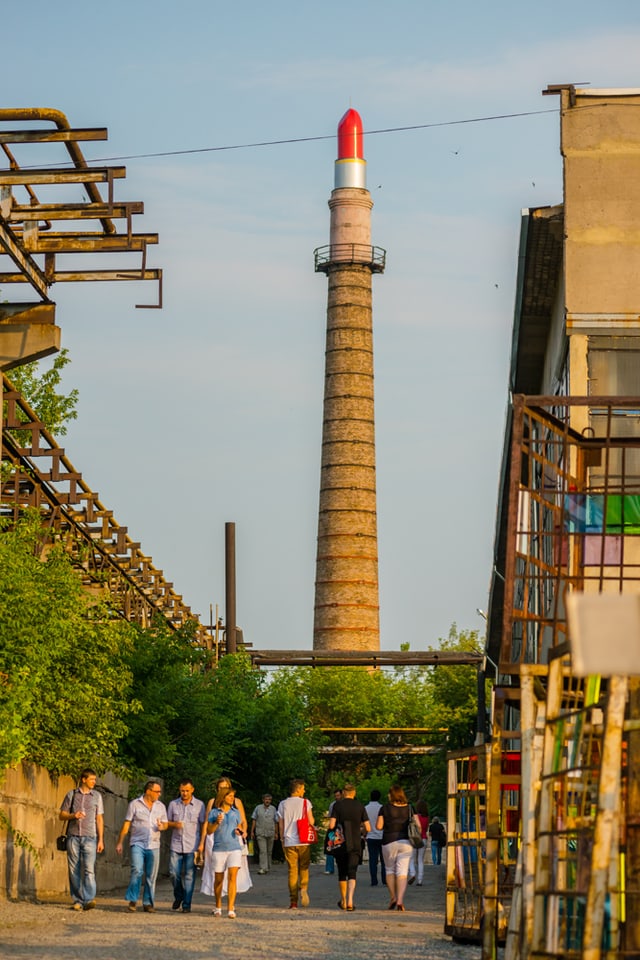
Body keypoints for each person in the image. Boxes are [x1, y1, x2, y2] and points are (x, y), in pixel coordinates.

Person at [115, 779, 169, 913]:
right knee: (137, 870)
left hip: (154, 844)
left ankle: (148, 903)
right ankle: (133, 899)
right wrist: (120, 842)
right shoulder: (135, 804)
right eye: (157, 791)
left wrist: (162, 826)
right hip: (137, 843)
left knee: (151, 875)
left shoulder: (161, 806)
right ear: (148, 791)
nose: (159, 794)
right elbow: (127, 823)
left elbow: (166, 824)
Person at [200, 776, 251, 906]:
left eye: (226, 787)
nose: (224, 790)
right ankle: (218, 902)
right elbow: (207, 823)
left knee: (233, 872)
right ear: (217, 789)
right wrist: (202, 843)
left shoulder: (236, 802)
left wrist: (243, 832)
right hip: (215, 839)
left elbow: (243, 820)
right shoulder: (212, 803)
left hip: (233, 838)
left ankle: (230, 903)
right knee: (216, 872)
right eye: (221, 788)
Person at [59, 768, 104, 911]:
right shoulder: (71, 794)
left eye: (95, 780)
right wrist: (73, 815)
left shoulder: (97, 796)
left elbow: (99, 819)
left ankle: (89, 899)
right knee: (74, 870)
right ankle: (78, 900)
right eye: (91, 779)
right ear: (83, 779)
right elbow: (62, 815)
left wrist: (101, 839)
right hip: (73, 836)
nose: (94, 782)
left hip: (90, 836)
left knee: (89, 869)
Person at [166, 778, 206, 913]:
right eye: (182, 790)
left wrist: (202, 844)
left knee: (189, 875)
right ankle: (179, 895)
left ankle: (187, 904)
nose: (184, 793)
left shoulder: (200, 805)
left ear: (192, 790)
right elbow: (167, 823)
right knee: (173, 873)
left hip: (192, 844)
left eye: (187, 791)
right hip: (176, 844)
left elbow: (203, 825)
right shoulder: (173, 804)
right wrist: (174, 824)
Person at [206, 785, 246, 919]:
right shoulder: (214, 812)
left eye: (233, 796)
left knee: (232, 877)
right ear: (223, 797)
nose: (232, 798)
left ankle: (230, 908)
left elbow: (240, 827)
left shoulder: (236, 812)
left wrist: (239, 831)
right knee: (218, 879)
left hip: (234, 848)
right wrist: (216, 822)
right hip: (219, 848)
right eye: (229, 796)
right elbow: (209, 831)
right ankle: (218, 906)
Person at [329, 782, 370, 911]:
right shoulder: (360, 806)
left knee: (342, 872)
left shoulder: (337, 805)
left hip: (340, 843)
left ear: (344, 793)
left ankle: (344, 900)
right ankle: (351, 900)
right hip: (355, 842)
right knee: (352, 872)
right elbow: (368, 827)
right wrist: (362, 831)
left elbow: (331, 825)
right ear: (354, 793)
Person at [376, 784, 417, 912]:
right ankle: (400, 901)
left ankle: (393, 897)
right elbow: (418, 825)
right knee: (402, 873)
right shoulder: (410, 808)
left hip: (389, 841)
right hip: (406, 842)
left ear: (392, 795)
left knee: (389, 870)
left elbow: (379, 826)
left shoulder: (384, 808)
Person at [276, 778, 315, 909]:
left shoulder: (282, 804)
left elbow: (280, 824)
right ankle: (303, 887)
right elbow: (311, 821)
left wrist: (282, 838)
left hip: (289, 841)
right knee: (304, 867)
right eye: (303, 788)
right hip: (303, 840)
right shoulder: (305, 802)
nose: (304, 790)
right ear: (298, 789)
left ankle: (293, 902)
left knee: (292, 870)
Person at [250, 793, 277, 874]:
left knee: (269, 851)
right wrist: (252, 831)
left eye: (269, 800)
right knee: (263, 851)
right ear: (263, 800)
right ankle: (262, 868)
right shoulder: (258, 808)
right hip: (260, 832)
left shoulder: (273, 809)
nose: (267, 801)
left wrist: (276, 833)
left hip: (270, 832)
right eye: (266, 799)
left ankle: (268, 866)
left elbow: (276, 821)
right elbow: (254, 819)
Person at [364, 789, 386, 887]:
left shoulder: (366, 808)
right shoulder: (382, 808)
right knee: (384, 860)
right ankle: (385, 879)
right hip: (382, 836)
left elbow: (364, 823)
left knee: (373, 859)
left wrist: (364, 834)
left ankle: (374, 880)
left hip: (370, 836)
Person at [409, 800, 429, 886]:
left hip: (414, 838)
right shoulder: (427, 817)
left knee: (411, 859)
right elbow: (426, 828)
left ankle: (412, 873)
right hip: (423, 838)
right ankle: (420, 880)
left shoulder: (415, 817)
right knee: (420, 860)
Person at [324, 788, 343, 874]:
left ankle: (342, 868)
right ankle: (329, 868)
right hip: (334, 827)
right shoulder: (332, 805)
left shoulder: (344, 804)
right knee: (330, 847)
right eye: (335, 796)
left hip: (342, 828)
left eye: (338, 795)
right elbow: (330, 817)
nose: (337, 797)